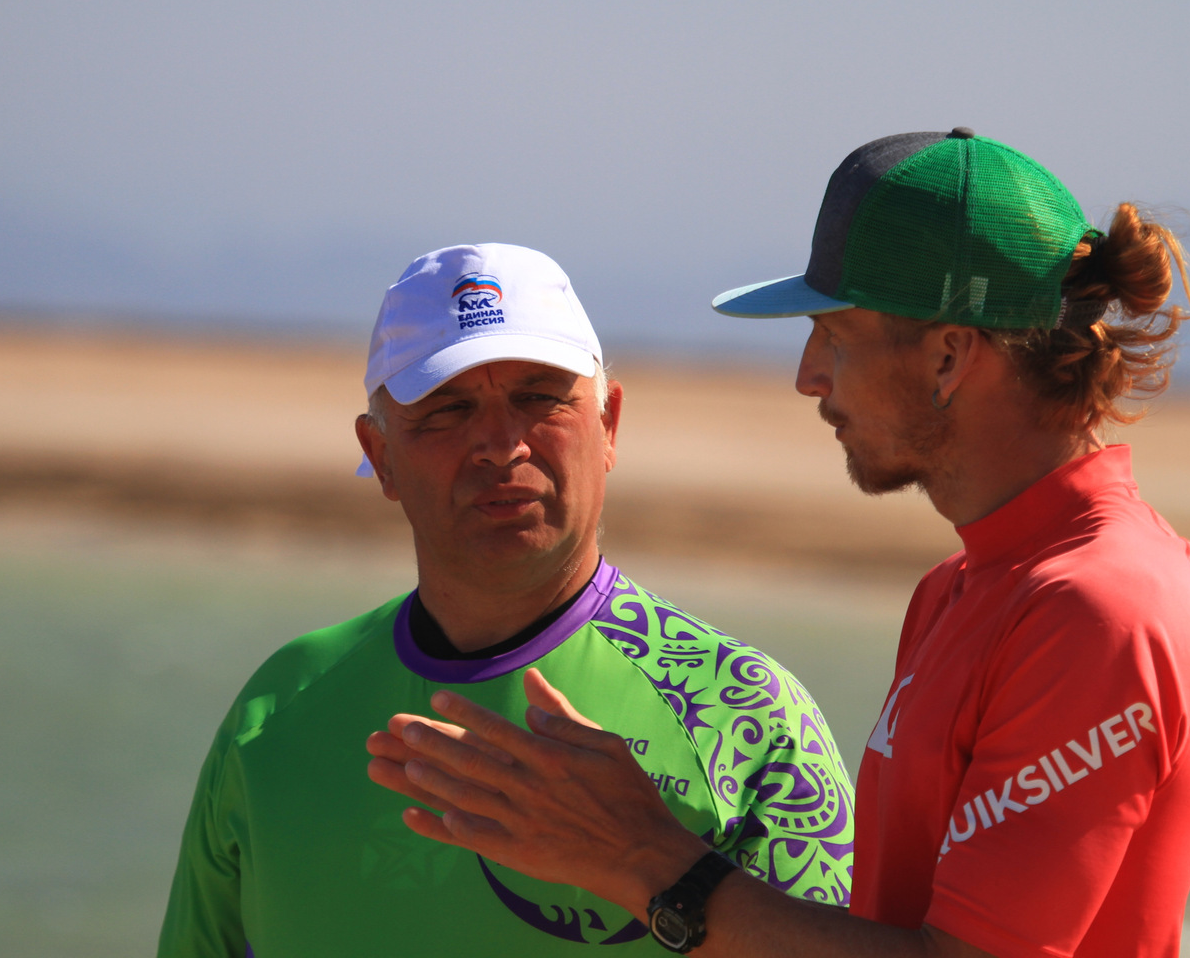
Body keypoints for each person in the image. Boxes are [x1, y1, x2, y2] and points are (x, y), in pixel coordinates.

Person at [368, 133, 1190, 958]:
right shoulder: (962, 586)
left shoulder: (1101, 607)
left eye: (835, 336)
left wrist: (641, 858)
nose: (807, 375)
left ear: (949, 356)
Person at [157, 242, 855, 957]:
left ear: (609, 424)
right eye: (448, 409)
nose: (500, 444)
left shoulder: (745, 713)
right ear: (381, 454)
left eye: (539, 397)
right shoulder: (278, 710)